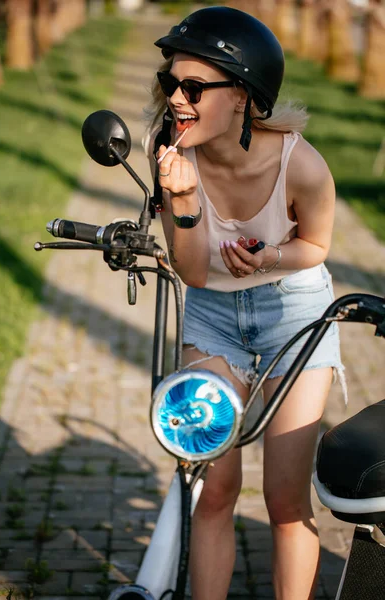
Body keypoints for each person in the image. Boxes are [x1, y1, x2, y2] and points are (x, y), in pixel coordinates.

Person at [144, 6, 347, 599]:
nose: (177, 99)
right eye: (171, 83)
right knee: (212, 488)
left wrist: (268, 259)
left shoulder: (301, 165)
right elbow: (190, 270)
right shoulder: (175, 159)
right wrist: (180, 200)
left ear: (242, 96)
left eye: (194, 87)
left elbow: (316, 244)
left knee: (285, 502)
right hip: (213, 318)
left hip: (297, 315)